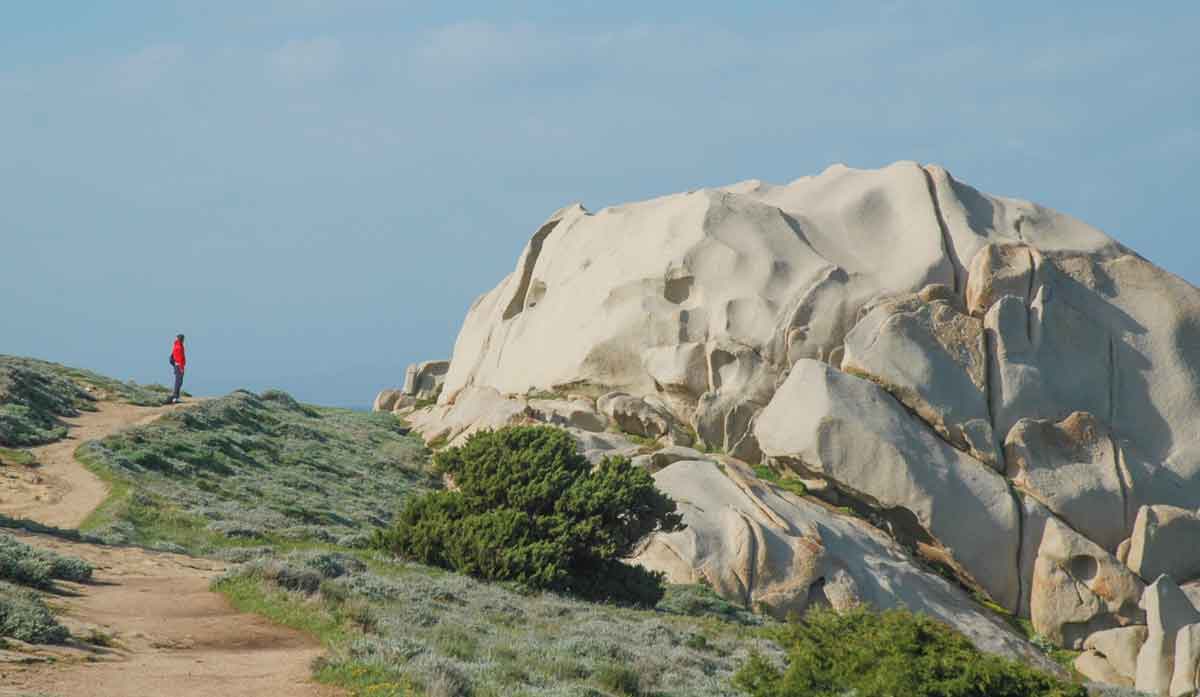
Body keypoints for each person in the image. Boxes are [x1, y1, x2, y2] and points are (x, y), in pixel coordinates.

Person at [167, 334, 186, 404]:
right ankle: (175, 398)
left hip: (177, 366)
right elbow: (179, 358)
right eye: (182, 338)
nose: (183, 340)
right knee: (178, 382)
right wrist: (181, 368)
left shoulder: (178, 346)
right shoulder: (179, 347)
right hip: (179, 366)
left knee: (178, 382)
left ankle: (176, 397)